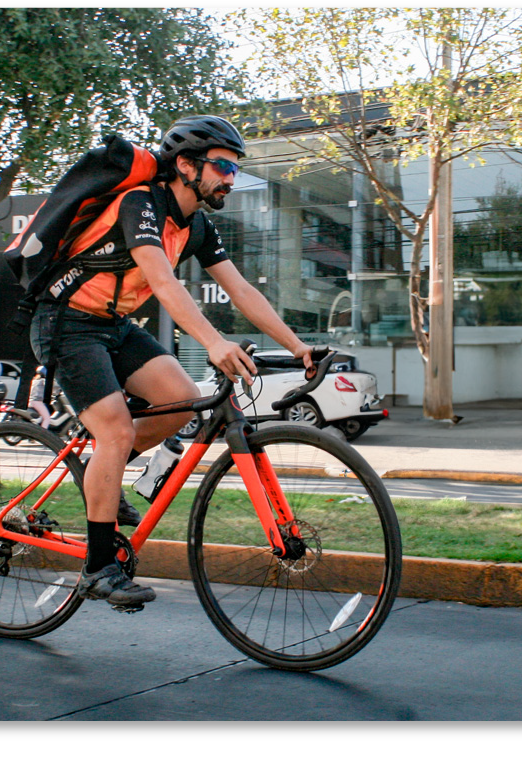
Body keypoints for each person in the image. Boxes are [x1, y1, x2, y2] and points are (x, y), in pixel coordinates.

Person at [29, 114, 318, 608]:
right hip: (66, 324)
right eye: (223, 166)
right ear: (185, 165)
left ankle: (104, 472)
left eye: (235, 169)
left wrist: (298, 347)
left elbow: (242, 289)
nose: (231, 178)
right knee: (117, 431)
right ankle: (98, 568)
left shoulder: (196, 224)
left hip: (114, 326)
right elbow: (163, 282)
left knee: (184, 403)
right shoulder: (139, 203)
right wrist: (212, 342)